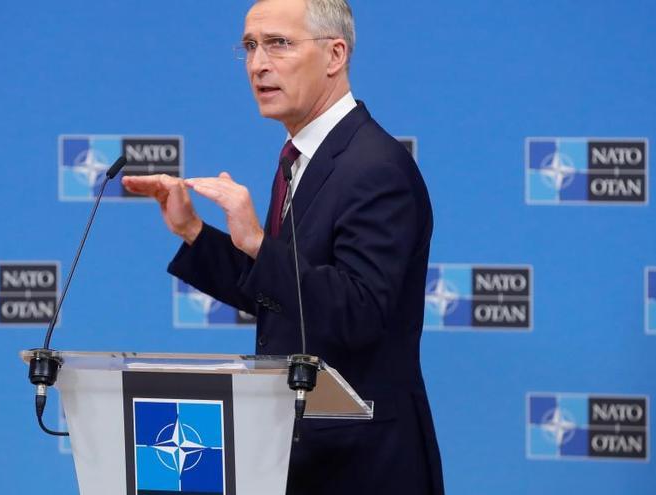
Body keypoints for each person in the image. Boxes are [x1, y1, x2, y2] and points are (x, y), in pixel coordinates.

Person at [122, 0, 444, 493]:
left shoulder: (374, 167)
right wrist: (195, 233)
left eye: (279, 44)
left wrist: (255, 242)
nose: (257, 64)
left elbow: (359, 312)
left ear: (335, 55)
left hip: (365, 465)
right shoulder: (300, 158)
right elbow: (284, 299)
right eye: (250, 46)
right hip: (298, 455)